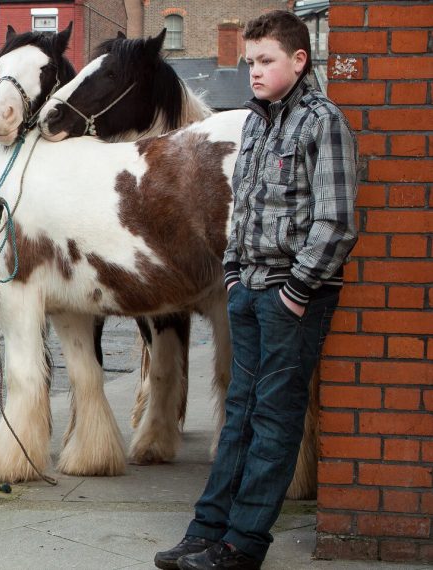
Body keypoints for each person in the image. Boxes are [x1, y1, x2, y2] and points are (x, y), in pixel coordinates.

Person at [154, 10, 358, 570]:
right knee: (238, 414)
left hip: (294, 298)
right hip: (248, 291)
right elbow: (241, 210)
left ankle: (242, 546)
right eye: (250, 62)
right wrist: (235, 276)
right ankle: (206, 531)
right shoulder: (255, 123)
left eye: (266, 60)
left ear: (299, 59)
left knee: (273, 418)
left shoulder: (323, 123)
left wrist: (297, 288)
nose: (255, 72)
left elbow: (336, 220)